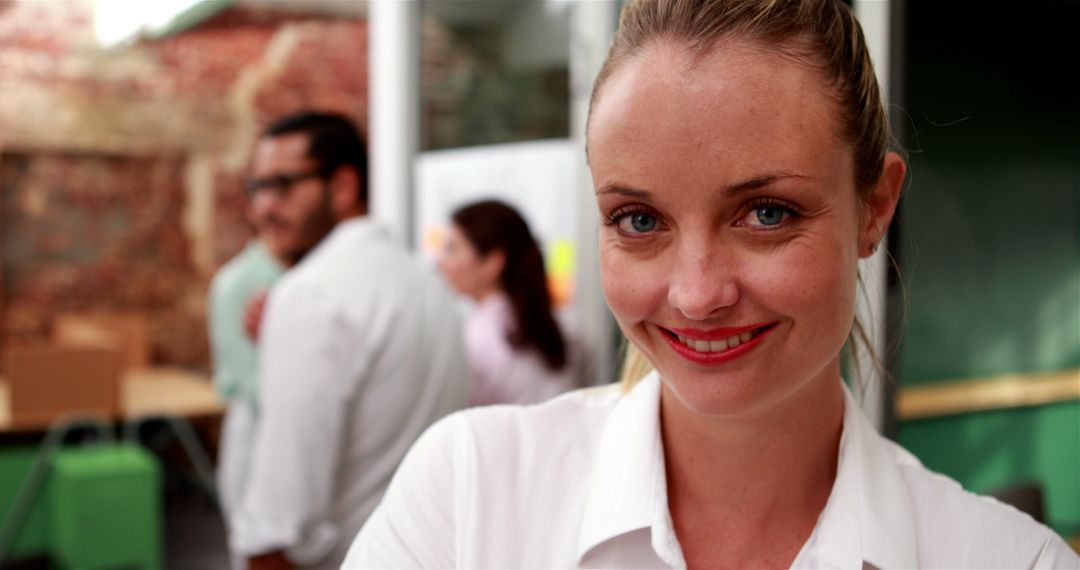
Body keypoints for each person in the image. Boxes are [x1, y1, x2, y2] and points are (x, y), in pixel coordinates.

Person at [343, 0, 1079, 568]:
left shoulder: (1008, 559)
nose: (696, 295)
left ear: (876, 207)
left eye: (766, 213)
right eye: (637, 220)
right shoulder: (470, 493)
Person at [228, 111, 469, 569]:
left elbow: (278, 525)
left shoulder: (311, 295)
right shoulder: (426, 282)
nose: (263, 208)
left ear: (341, 186)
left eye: (282, 185)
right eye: (256, 188)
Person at [437, 200, 580, 406]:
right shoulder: (561, 329)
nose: (441, 262)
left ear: (492, 263)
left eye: (452, 249)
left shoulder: (477, 336)